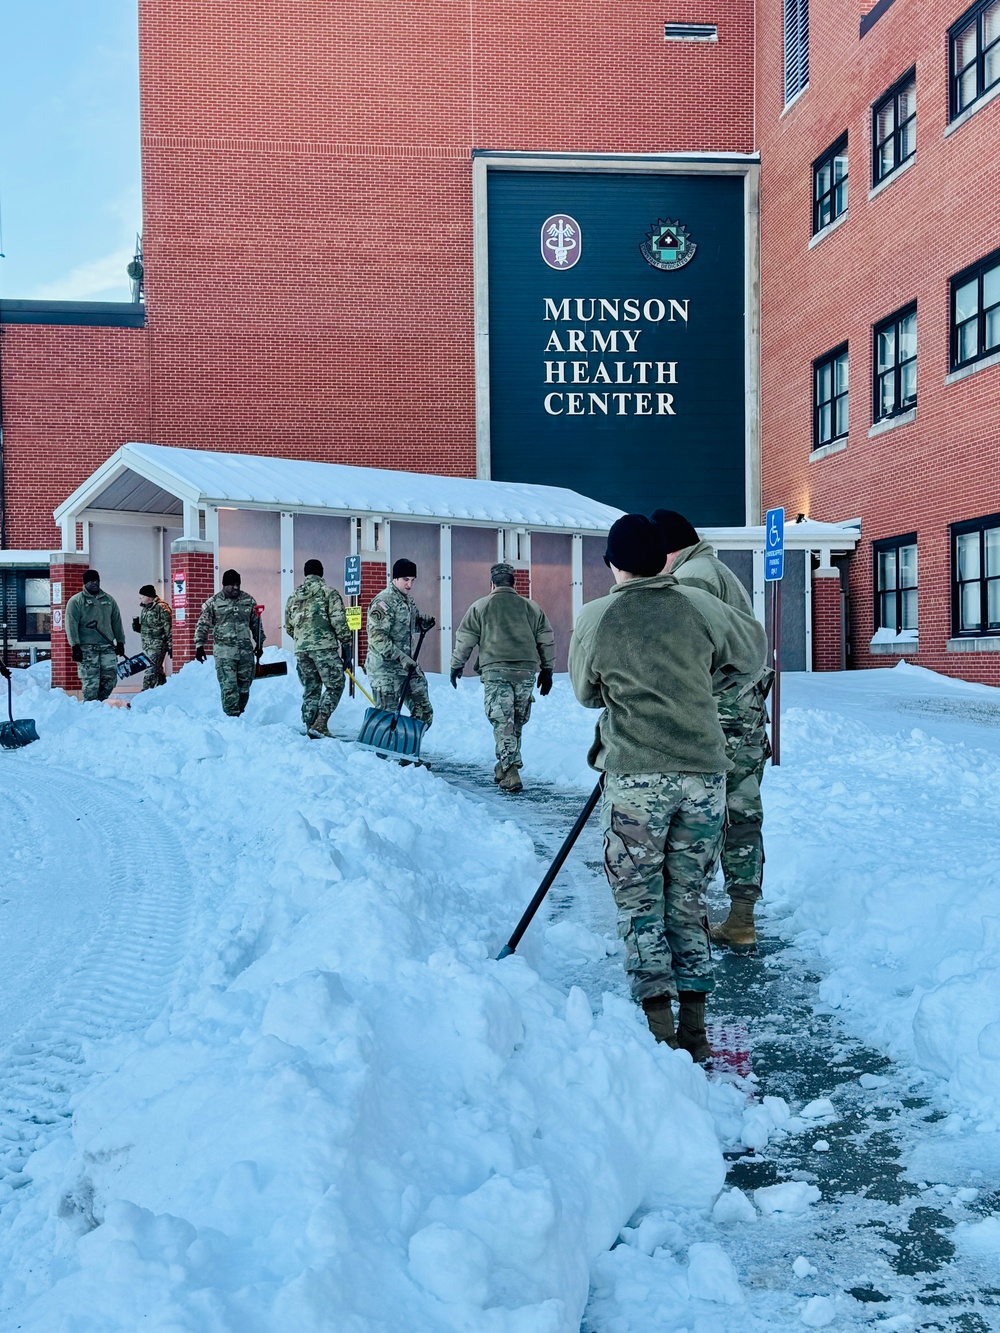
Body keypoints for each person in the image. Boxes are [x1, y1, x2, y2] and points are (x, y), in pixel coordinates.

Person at [569, 514, 767, 1061]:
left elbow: (586, 693)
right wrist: (702, 682)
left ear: (613, 563)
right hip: (703, 778)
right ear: (664, 559)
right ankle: (696, 1029)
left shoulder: (596, 616)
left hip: (637, 779)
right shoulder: (702, 606)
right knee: (687, 897)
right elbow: (752, 655)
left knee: (639, 900)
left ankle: (658, 1027)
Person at [652, 508, 774, 951]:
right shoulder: (716, 568)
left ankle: (689, 919)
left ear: (669, 549)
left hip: (717, 713)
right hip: (744, 710)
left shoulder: (693, 578)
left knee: (700, 813)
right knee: (742, 812)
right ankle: (742, 917)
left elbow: (688, 652)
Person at [449, 562, 555, 792]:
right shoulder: (531, 607)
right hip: (526, 671)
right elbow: (545, 639)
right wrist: (547, 670)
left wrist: (456, 665)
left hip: (496, 670)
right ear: (513, 582)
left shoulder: (481, 606)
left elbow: (466, 638)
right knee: (515, 720)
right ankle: (503, 765)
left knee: (502, 721)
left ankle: (511, 771)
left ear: (492, 584)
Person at [364, 558, 435, 731]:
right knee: (386, 716)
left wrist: (421, 623)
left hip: (407, 668)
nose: (410, 584)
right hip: (385, 669)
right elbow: (377, 637)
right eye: (406, 579)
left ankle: (407, 751)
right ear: (395, 578)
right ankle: (380, 755)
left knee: (424, 711)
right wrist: (401, 657)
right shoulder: (383, 602)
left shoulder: (408, 601)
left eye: (413, 580)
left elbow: (407, 627)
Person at [284, 558, 353, 738]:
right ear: (321, 573)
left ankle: (310, 725)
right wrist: (346, 645)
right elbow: (339, 622)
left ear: (306, 574)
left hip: (302, 650)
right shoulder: (328, 593)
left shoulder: (293, 597)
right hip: (324, 648)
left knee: (311, 687)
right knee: (335, 684)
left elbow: (289, 626)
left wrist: (302, 640)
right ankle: (321, 723)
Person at [194, 569, 264, 717]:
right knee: (229, 686)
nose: (236, 588)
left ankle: (239, 713)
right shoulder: (213, 603)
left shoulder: (249, 601)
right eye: (232, 585)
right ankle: (232, 717)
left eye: (238, 584)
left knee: (244, 687)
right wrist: (199, 645)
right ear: (224, 585)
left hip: (245, 652)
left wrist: (260, 644)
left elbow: (256, 624)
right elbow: (202, 624)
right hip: (224, 653)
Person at [65, 570, 125, 702]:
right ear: (85, 583)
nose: (95, 583)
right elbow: (71, 625)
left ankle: (101, 701)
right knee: (91, 679)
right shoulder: (76, 601)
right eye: (91, 581)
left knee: (110, 678)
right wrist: (75, 646)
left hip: (107, 645)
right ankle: (91, 705)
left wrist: (120, 642)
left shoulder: (108, 600)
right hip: (87, 647)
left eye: (97, 581)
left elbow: (116, 622)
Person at [132, 584, 173, 690]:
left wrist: (170, 645)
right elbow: (149, 627)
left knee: (150, 669)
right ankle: (162, 690)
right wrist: (138, 627)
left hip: (158, 645)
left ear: (150, 596)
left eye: (143, 596)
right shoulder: (145, 609)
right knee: (157, 671)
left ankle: (144, 695)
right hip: (148, 645)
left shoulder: (161, 607)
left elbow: (168, 627)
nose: (140, 598)